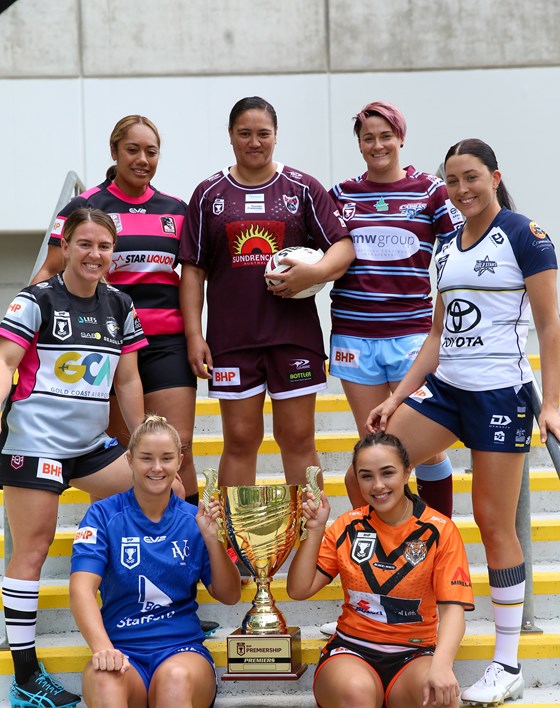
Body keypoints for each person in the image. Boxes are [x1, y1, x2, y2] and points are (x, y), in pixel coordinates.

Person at [366, 138, 560, 706]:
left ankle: (507, 663)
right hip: (447, 390)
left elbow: (550, 324)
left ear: (494, 177)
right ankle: (399, 601)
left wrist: (551, 403)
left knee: (494, 523)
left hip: (500, 393)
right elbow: (436, 334)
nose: (461, 189)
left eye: (471, 177)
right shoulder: (446, 246)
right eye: (451, 180)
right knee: (370, 469)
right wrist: (397, 396)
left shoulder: (525, 235)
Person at [287, 432, 473, 708]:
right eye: (366, 476)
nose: (378, 485)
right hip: (351, 653)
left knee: (439, 692)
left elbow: (453, 611)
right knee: (357, 692)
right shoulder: (346, 526)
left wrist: (442, 666)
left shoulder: (439, 530)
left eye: (388, 473)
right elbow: (299, 589)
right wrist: (314, 529)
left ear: (408, 472)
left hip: (412, 655)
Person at [1, 207, 147, 708]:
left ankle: (160, 613)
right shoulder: (35, 300)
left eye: (104, 246)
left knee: (160, 493)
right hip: (35, 444)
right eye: (84, 244)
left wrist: (141, 441)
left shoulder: (120, 304)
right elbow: (5, 361)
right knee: (33, 548)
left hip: (90, 446)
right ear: (64, 247)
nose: (94, 254)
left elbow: (127, 379)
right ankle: (25, 674)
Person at [69, 415, 241, 708]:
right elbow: (81, 589)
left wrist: (213, 538)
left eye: (166, 458)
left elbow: (229, 595)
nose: (157, 467)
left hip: (180, 651)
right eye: (146, 458)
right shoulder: (102, 514)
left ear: (181, 460)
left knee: (176, 678)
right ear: (129, 460)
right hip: (123, 653)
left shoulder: (194, 519)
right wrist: (102, 647)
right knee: (106, 679)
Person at [180, 95, 355, 488]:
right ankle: (237, 529)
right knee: (240, 440)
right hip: (232, 340)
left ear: (276, 136)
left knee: (297, 437)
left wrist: (313, 274)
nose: (254, 142)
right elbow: (193, 270)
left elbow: (343, 247)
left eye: (263, 133)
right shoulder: (209, 194)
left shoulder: (302, 188)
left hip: (292, 338)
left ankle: (308, 527)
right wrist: (194, 335)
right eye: (245, 133)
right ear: (230, 136)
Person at [32, 114, 199, 504]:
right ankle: (119, 535)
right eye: (132, 149)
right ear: (114, 151)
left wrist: (196, 336)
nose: (142, 159)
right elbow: (51, 270)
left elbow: (192, 278)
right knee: (121, 452)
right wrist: (25, 323)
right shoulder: (87, 205)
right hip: (106, 344)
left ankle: (186, 534)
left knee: (179, 446)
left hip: (166, 343)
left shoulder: (177, 209)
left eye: (151, 151)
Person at [329, 101, 463, 517]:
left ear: (401, 137)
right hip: (354, 337)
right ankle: (385, 538)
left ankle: (436, 535)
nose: (378, 145)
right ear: (359, 144)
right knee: (374, 448)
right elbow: (324, 256)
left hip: (412, 335)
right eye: (368, 138)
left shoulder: (430, 190)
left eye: (386, 136)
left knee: (422, 447)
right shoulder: (341, 195)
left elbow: (462, 248)